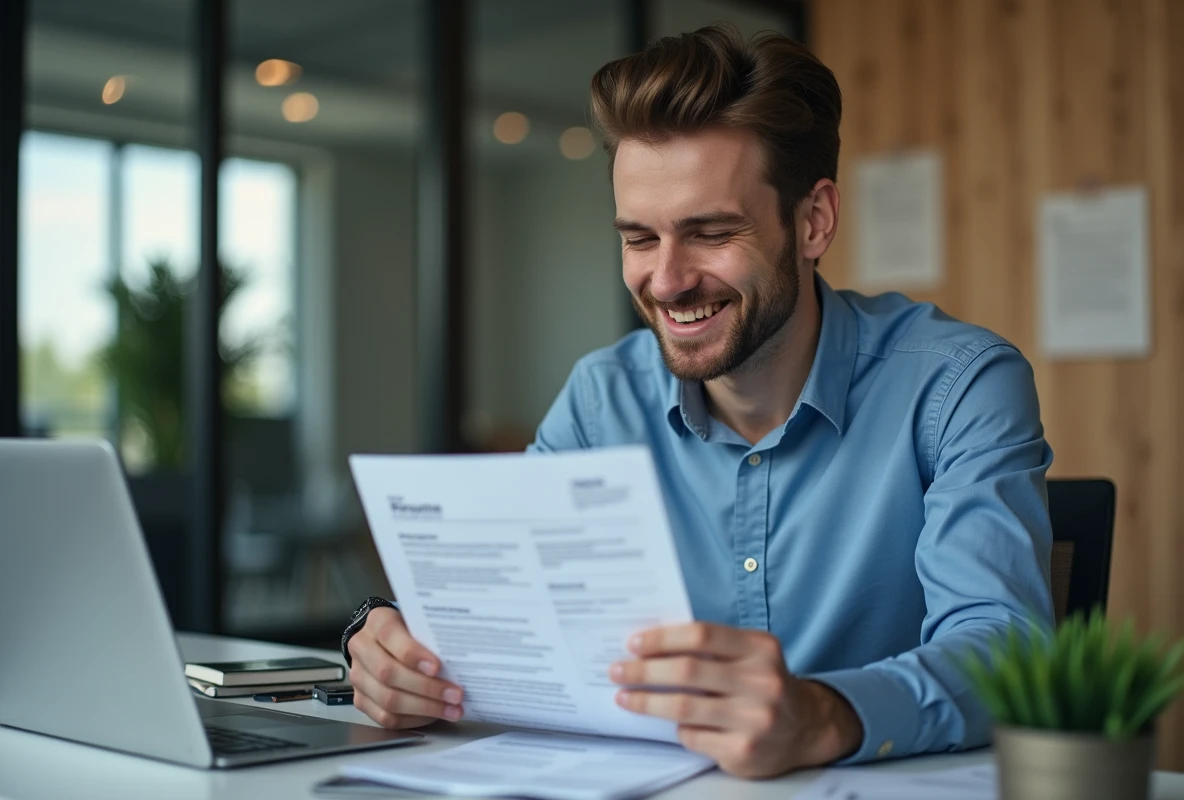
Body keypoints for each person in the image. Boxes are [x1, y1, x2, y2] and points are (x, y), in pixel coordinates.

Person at [340, 25, 1054, 779]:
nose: (668, 280)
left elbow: (1004, 645)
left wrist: (822, 713)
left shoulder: (959, 385)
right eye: (639, 238)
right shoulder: (599, 398)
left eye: (709, 232)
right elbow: (507, 609)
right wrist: (390, 643)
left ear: (813, 222)